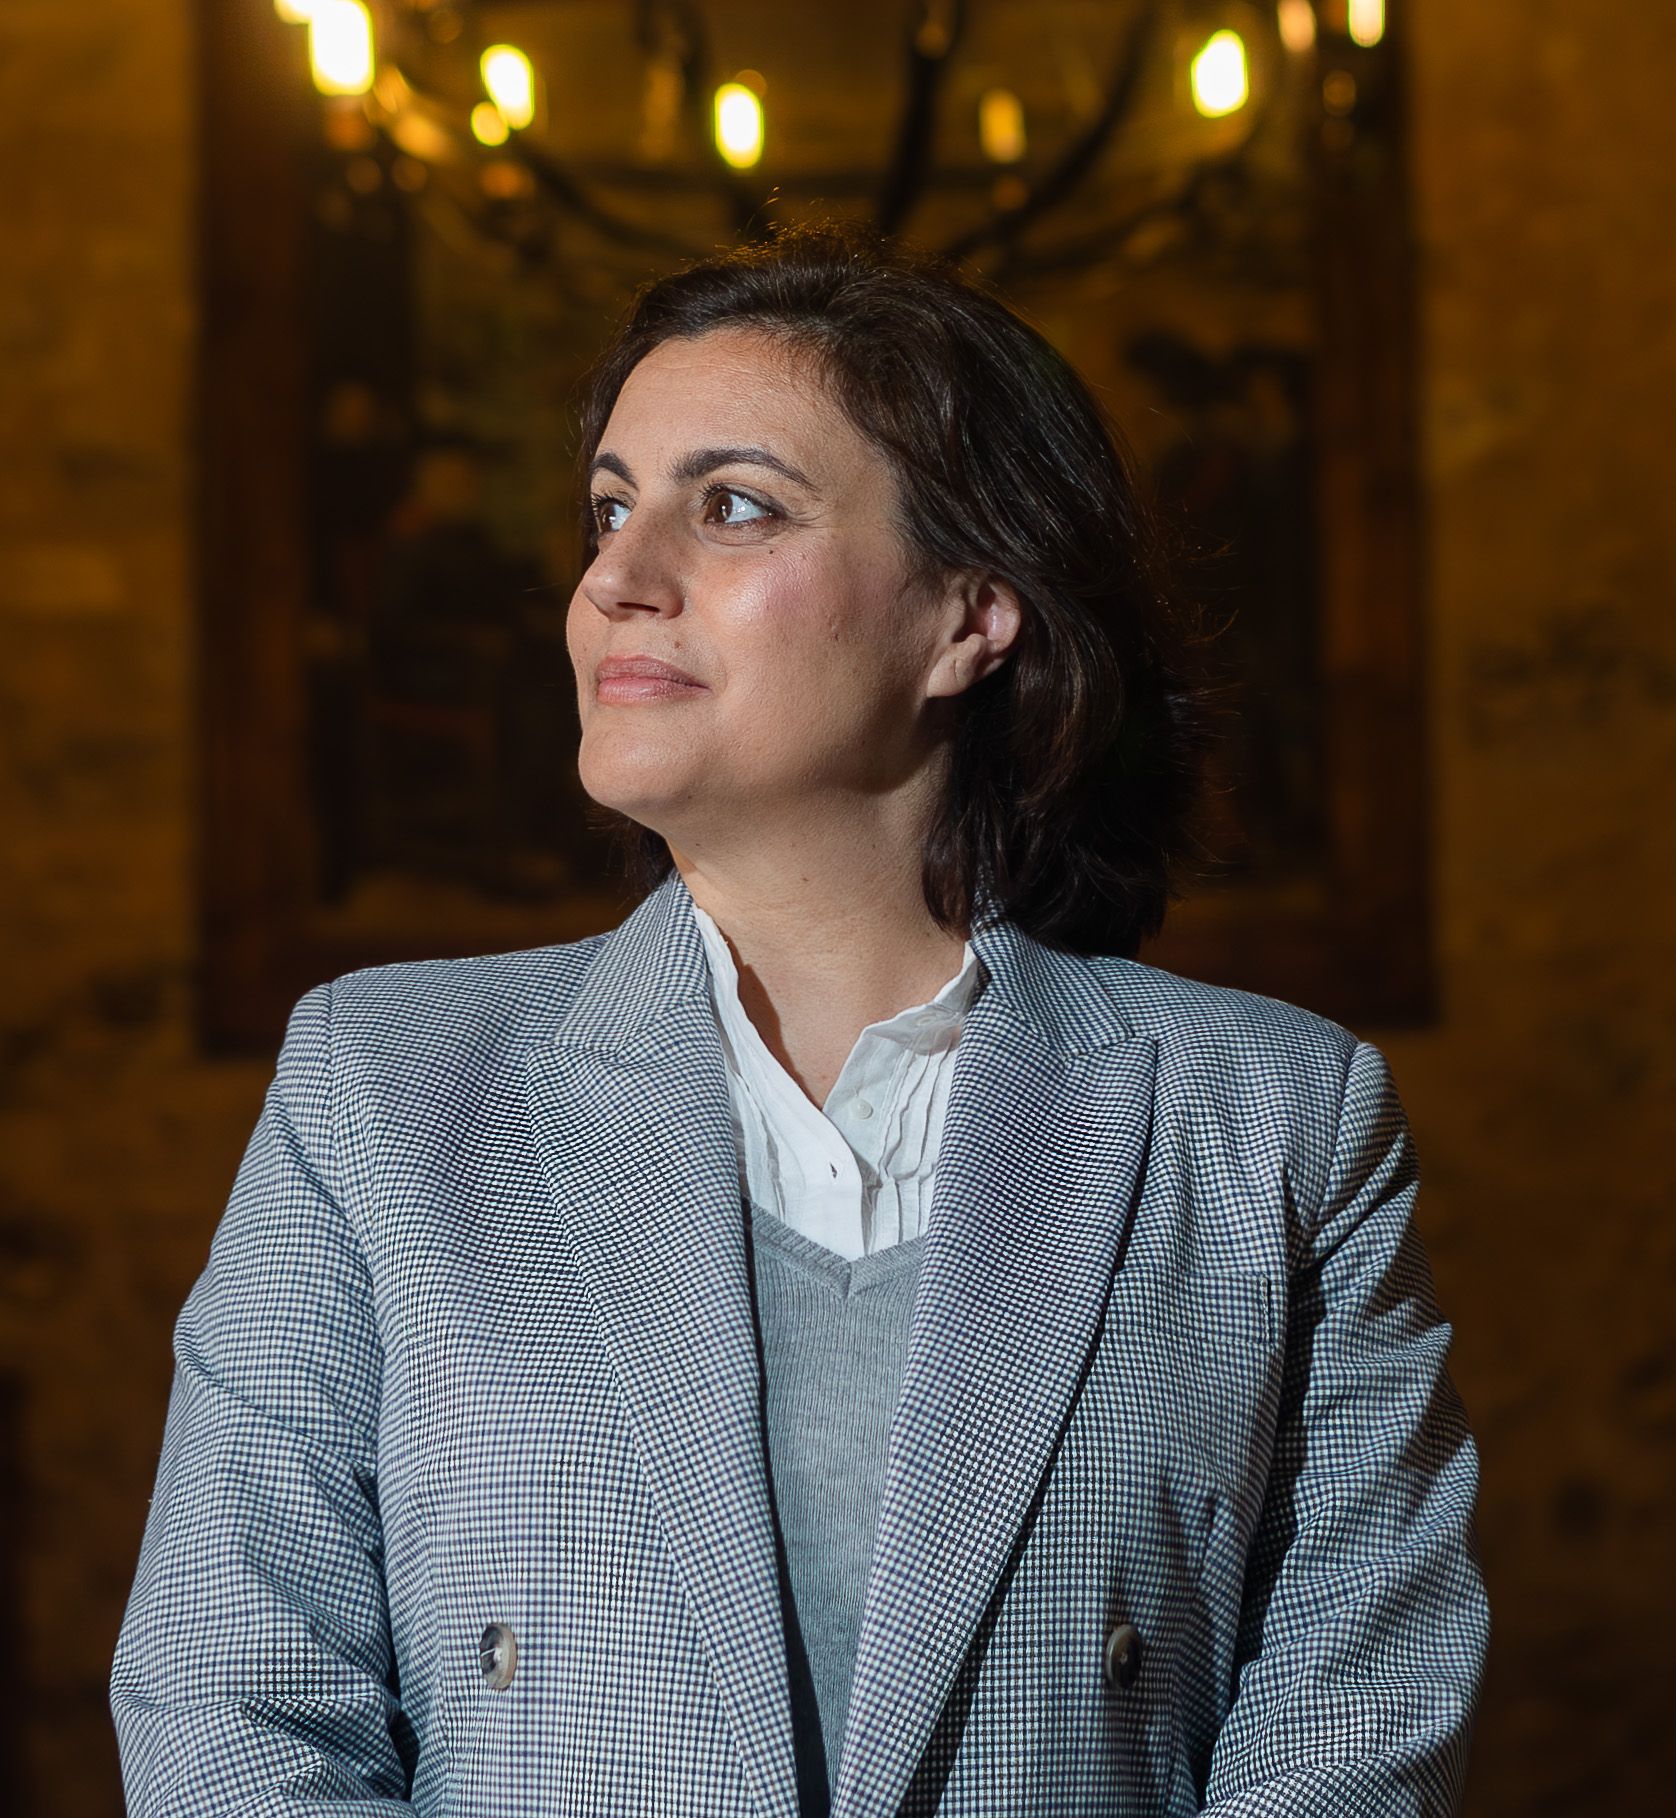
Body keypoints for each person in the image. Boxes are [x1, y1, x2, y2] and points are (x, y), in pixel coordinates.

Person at [115, 236, 1485, 1817]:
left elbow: (1356, 1723)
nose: (617, 574)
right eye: (612, 506)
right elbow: (233, 1712)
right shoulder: (383, 1087)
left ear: (973, 614)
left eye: (735, 503)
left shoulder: (1273, 1123)